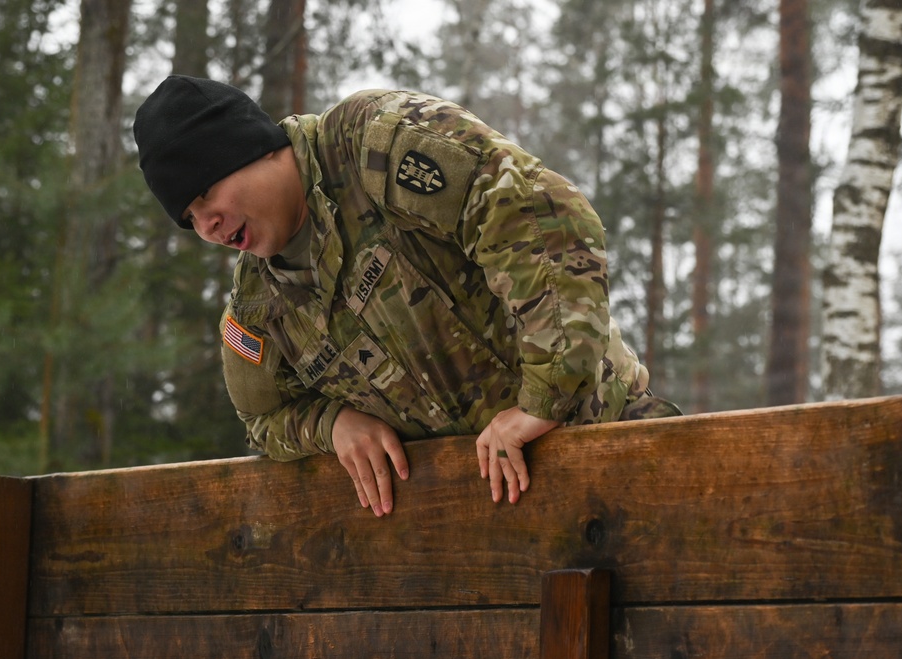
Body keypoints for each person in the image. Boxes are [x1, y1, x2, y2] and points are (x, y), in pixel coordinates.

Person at [133, 75, 680, 518]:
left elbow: (541, 215)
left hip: (603, 442)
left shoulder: (370, 143)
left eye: (205, 193)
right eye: (189, 217)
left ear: (251, 148)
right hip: (475, 516)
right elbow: (264, 419)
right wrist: (332, 424)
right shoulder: (256, 307)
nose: (207, 226)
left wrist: (543, 402)